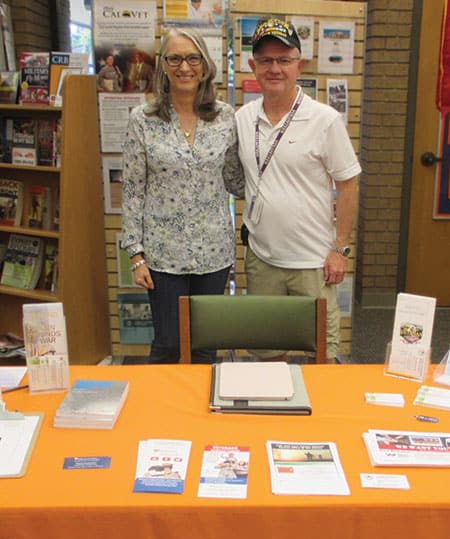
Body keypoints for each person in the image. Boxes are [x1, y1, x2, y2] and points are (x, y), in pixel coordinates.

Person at [235, 18, 361, 363]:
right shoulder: (243, 119)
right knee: (265, 354)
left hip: (313, 262)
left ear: (299, 65)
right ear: (253, 66)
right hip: (262, 259)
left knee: (321, 356)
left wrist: (341, 249)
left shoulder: (325, 120)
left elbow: (348, 185)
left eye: (284, 60)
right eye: (265, 61)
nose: (274, 68)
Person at [121, 28, 244, 364]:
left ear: (204, 66)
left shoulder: (225, 117)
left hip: (213, 252)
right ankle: (160, 414)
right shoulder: (142, 120)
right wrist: (136, 255)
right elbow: (132, 190)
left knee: (206, 344)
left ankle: (205, 414)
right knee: (168, 343)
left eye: (192, 58)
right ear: (163, 66)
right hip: (162, 256)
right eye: (174, 58)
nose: (184, 67)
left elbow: (235, 178)